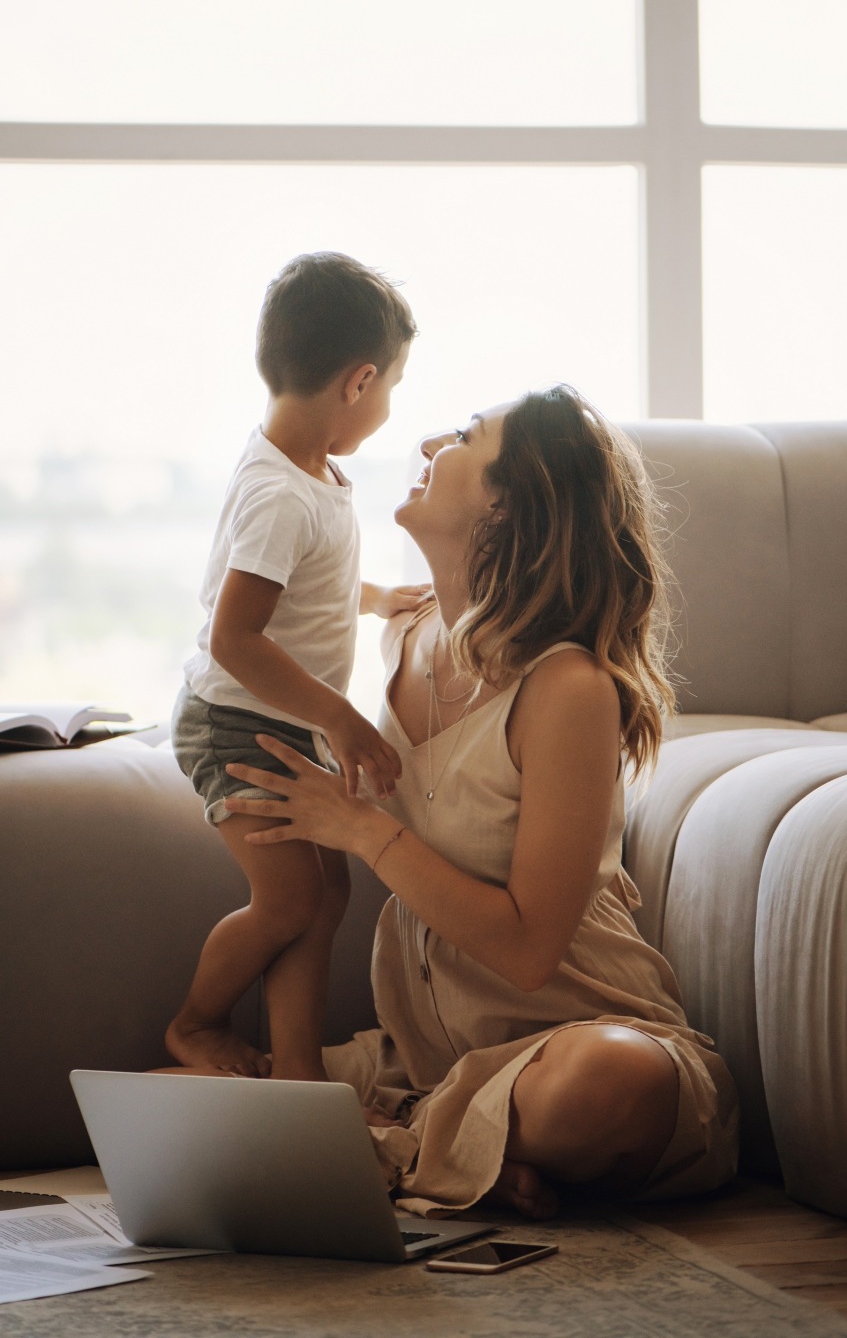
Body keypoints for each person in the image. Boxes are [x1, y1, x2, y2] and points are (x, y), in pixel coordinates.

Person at [220, 385, 740, 1218]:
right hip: (423, 1063)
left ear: (509, 507)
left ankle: (396, 1145)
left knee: (606, 1087)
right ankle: (449, 1148)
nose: (428, 443)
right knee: (176, 1092)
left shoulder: (568, 687)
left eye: (465, 436)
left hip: (576, 1048)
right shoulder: (404, 634)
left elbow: (532, 951)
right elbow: (243, 616)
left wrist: (358, 828)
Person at [167, 251, 429, 1083]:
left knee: (329, 896)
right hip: (238, 721)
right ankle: (197, 1024)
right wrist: (342, 719)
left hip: (280, 718)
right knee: (288, 899)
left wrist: (379, 596)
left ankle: (296, 1073)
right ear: (358, 382)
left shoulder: (311, 473)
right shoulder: (279, 492)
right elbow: (236, 639)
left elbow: (305, 587)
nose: (388, 407)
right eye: (391, 387)